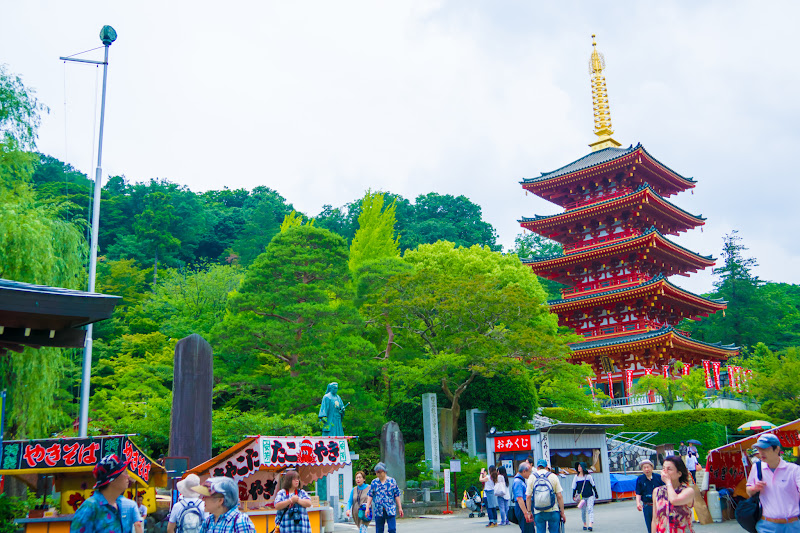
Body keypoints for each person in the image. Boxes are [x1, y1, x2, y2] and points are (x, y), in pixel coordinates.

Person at [70, 454, 144, 533]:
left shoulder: (118, 504)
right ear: (112, 479)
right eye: (124, 472)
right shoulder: (90, 507)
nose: (128, 476)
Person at [745, 433, 800, 532]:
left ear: (777, 449)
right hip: (766, 525)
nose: (761, 452)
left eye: (765, 449)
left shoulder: (794, 470)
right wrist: (754, 489)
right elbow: (749, 491)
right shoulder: (756, 468)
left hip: (792, 526)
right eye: (759, 449)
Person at [652, 455, 694, 533]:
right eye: (663, 468)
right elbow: (655, 520)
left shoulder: (688, 491)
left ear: (679, 473)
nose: (665, 472)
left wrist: (668, 482)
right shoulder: (657, 491)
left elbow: (674, 500)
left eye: (669, 469)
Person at [527, 459, 565, 533]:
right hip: (553, 510)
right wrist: (562, 512)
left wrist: (529, 512)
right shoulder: (553, 476)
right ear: (547, 467)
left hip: (538, 511)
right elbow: (559, 496)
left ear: (537, 467)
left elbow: (528, 497)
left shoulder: (532, 477)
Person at [366, 462, 404, 533]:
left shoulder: (392, 481)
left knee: (392, 529)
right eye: (377, 472)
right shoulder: (374, 482)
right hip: (379, 509)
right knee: (379, 530)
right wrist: (367, 507)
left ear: (385, 472)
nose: (378, 474)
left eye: (380, 472)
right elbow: (370, 495)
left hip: (390, 508)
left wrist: (400, 507)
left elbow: (396, 494)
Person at [635, 459, 665, 533]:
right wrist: (638, 503)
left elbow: (665, 490)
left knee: (661, 526)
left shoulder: (658, 477)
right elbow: (638, 492)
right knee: (650, 527)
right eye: (644, 468)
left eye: (648, 467)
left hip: (659, 505)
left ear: (652, 468)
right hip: (647, 506)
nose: (646, 469)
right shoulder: (640, 479)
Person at [571, 462, 599, 531]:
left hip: (590, 495)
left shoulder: (588, 476)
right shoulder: (576, 477)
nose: (579, 468)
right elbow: (574, 487)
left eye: (580, 466)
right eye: (578, 467)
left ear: (583, 467)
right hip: (582, 497)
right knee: (583, 511)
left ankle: (590, 524)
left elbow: (593, 485)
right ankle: (584, 524)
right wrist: (573, 495)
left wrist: (596, 494)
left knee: (590, 509)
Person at [512, 463, 534, 533]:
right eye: (529, 472)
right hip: (522, 508)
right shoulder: (518, 482)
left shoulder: (521, 481)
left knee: (528, 529)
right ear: (524, 471)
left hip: (523, 507)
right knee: (527, 530)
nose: (530, 474)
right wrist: (526, 513)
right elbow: (519, 498)